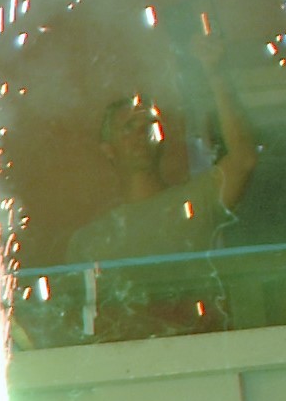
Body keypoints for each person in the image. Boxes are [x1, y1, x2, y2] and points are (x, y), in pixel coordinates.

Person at [61, 22, 259, 266]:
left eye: (149, 124)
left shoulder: (192, 203)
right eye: (128, 127)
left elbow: (243, 160)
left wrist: (216, 75)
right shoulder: (93, 240)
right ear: (108, 149)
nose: (141, 133)